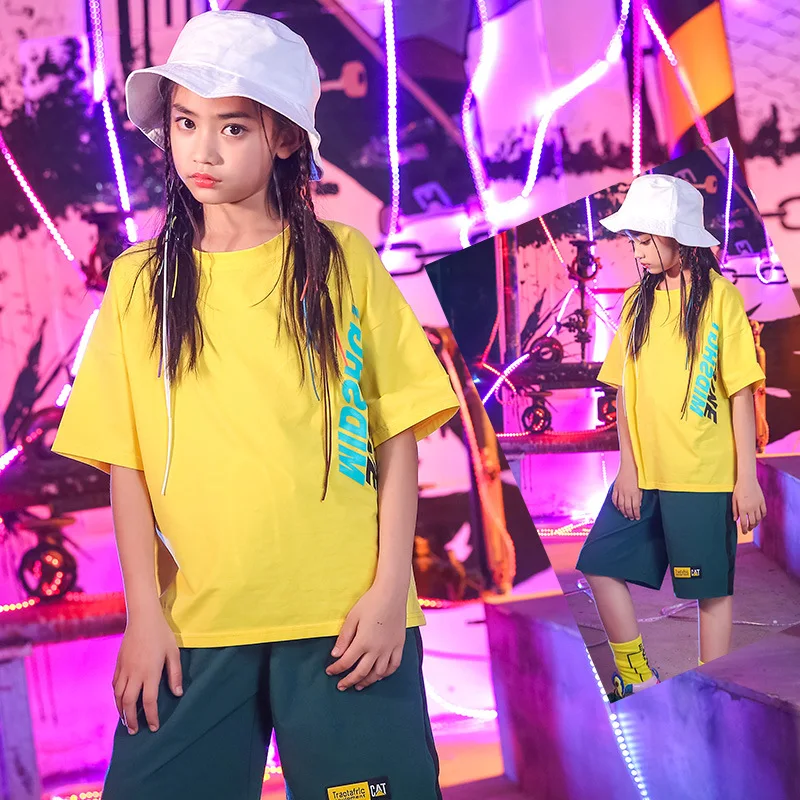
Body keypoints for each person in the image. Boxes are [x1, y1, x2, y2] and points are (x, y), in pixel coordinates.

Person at [53, 10, 458, 799]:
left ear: (284, 138)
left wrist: (388, 595)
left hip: (347, 623)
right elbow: (125, 467)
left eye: (232, 127)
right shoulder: (139, 283)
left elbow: (397, 438)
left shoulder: (343, 261)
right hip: (196, 627)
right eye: (185, 123)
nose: (202, 150)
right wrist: (144, 615)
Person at [575, 173, 767, 700]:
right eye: (633, 240)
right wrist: (628, 467)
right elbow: (623, 394)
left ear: (677, 237)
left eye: (644, 239)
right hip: (645, 476)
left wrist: (746, 479)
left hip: (703, 477)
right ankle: (635, 673)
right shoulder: (635, 304)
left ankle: (713, 691)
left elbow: (740, 393)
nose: (636, 251)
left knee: (710, 590)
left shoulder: (721, 300)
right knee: (599, 565)